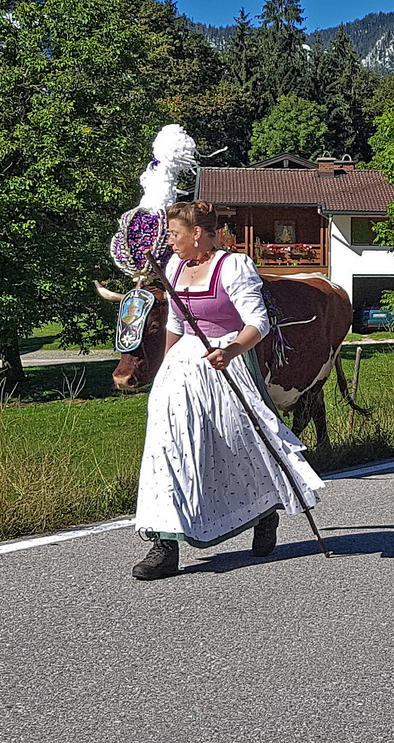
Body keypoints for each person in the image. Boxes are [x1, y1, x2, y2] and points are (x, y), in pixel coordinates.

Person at [132, 201, 324, 581]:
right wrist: (166, 370)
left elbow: (258, 323)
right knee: (166, 445)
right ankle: (164, 543)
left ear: (198, 233)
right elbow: (175, 322)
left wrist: (231, 350)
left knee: (238, 443)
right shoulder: (173, 267)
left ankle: (264, 511)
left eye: (174, 234)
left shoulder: (233, 267)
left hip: (226, 360)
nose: (168, 241)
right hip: (183, 366)